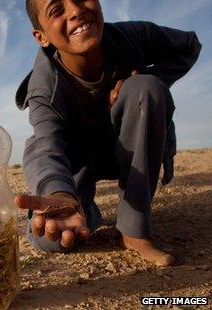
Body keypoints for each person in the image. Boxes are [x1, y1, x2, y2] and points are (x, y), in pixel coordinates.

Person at [14, 0, 201, 266]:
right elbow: (46, 145)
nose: (76, 11)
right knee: (54, 236)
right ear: (41, 37)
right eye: (57, 10)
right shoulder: (45, 87)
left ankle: (133, 231)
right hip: (80, 157)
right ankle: (85, 207)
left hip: (129, 144)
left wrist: (151, 77)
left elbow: (189, 45)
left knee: (146, 88)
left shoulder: (133, 38)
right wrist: (60, 193)